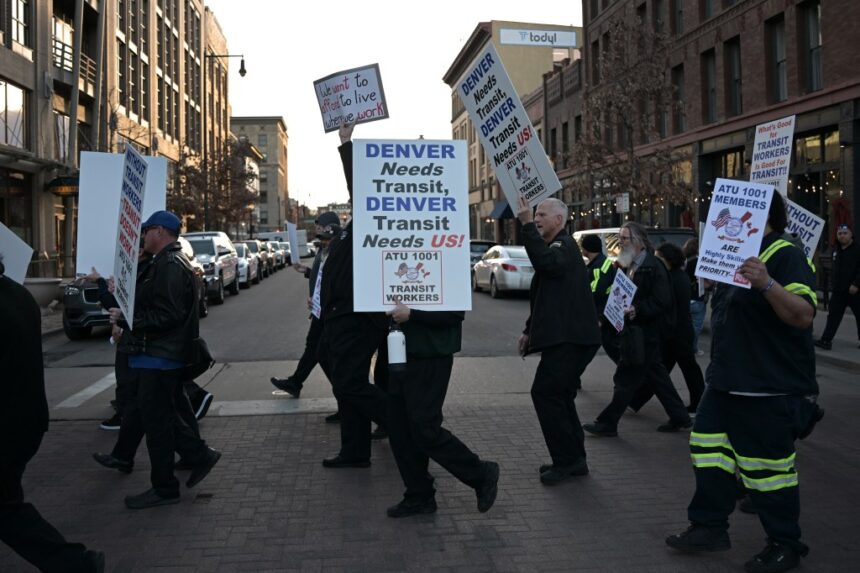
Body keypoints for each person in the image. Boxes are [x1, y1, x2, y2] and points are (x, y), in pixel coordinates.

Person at [666, 191, 819, 573]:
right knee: (707, 449)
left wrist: (767, 284)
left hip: (767, 386)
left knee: (769, 471)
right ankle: (709, 526)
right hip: (726, 383)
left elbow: (803, 315)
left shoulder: (786, 253)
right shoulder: (734, 253)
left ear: (760, 215)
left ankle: (785, 544)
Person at [106, 211, 221, 509]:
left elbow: (168, 315)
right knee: (160, 418)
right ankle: (194, 459)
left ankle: (168, 484)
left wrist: (128, 320)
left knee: (158, 424)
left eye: (146, 230)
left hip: (159, 357)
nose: (143, 236)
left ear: (159, 231)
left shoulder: (169, 265)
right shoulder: (166, 262)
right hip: (157, 356)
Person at [0, 256, 105, 572]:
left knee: (6, 509)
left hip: (6, 427)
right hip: (26, 421)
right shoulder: (18, 294)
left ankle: (76, 563)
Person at [384, 300, 499, 517]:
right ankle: (419, 495)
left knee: (424, 428)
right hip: (399, 352)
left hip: (431, 356)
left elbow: (453, 315)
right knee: (400, 429)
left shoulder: (449, 269)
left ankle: (480, 473)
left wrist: (412, 314)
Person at [318, 123, 389, 468]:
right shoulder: (350, 229)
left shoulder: (373, 221)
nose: (352, 201)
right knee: (348, 387)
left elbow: (358, 185)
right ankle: (355, 450)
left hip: (358, 319)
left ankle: (398, 420)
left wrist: (347, 143)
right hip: (339, 319)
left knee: (348, 384)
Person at [516, 196, 601, 485]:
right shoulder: (557, 247)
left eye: (541, 214)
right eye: (535, 215)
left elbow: (545, 263)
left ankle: (567, 461)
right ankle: (573, 460)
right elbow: (545, 295)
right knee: (560, 397)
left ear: (559, 221)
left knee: (547, 394)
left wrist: (526, 225)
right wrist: (530, 330)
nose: (536, 218)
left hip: (572, 340)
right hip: (568, 338)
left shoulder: (563, 246)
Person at [583, 222, 692, 437]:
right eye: (620, 238)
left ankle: (608, 423)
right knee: (655, 376)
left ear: (639, 241)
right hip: (637, 332)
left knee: (626, 378)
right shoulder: (630, 264)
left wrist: (637, 310)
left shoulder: (652, 266)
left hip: (645, 332)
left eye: (625, 238)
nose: (620, 242)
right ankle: (680, 416)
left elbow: (662, 301)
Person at [628, 242, 705, 413]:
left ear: (667, 260)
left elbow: (669, 307)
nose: (655, 261)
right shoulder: (675, 276)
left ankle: (697, 404)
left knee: (680, 369)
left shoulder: (675, 278)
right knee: (660, 370)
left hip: (677, 333)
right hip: (676, 332)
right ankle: (636, 400)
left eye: (658, 257)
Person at [270, 211, 340, 398]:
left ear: (329, 228)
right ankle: (297, 382)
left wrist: (321, 298)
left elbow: (333, 279)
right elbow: (322, 276)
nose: (317, 231)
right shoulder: (324, 247)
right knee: (315, 349)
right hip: (319, 308)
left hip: (326, 309)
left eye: (320, 228)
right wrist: (306, 270)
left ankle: (343, 392)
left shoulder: (335, 248)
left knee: (319, 351)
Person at [815, 223, 859, 350]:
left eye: (845, 233)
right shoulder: (836, 250)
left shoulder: (857, 249)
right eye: (840, 233)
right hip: (839, 290)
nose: (842, 236)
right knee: (833, 315)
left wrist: (856, 284)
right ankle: (826, 340)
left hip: (854, 290)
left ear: (851, 235)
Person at [580, 233, 620, 364]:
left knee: (594, 346)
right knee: (606, 345)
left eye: (582, 246)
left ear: (587, 249)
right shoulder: (600, 263)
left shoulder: (598, 266)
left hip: (601, 313)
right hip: (605, 312)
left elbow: (596, 291)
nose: (581, 249)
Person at [683, 238, 709, 356]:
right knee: (696, 327)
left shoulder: (685, 262)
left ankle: (683, 346)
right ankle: (693, 349)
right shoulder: (700, 262)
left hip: (686, 298)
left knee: (685, 326)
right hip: (698, 299)